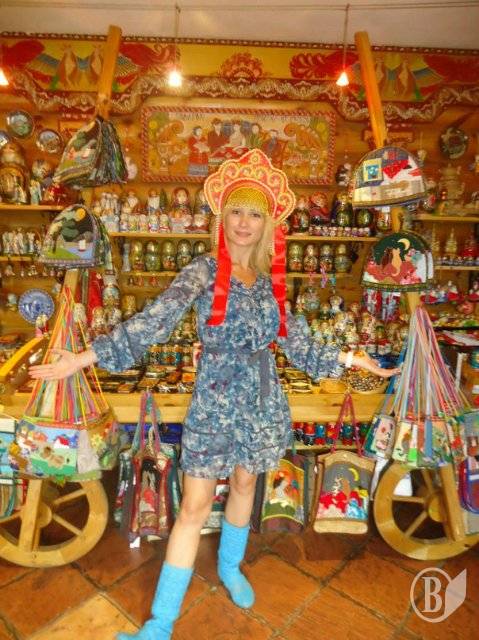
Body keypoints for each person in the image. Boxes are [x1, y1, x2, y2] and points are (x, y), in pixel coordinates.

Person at [29, 149, 399, 640]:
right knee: (194, 506)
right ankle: (160, 622)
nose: (244, 223)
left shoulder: (270, 283)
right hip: (214, 401)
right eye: (235, 212)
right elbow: (153, 321)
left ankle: (229, 566)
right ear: (221, 218)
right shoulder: (202, 271)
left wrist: (353, 360)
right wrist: (81, 358)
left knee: (245, 485)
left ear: (268, 224)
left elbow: (300, 344)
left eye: (254, 214)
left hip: (263, 402)